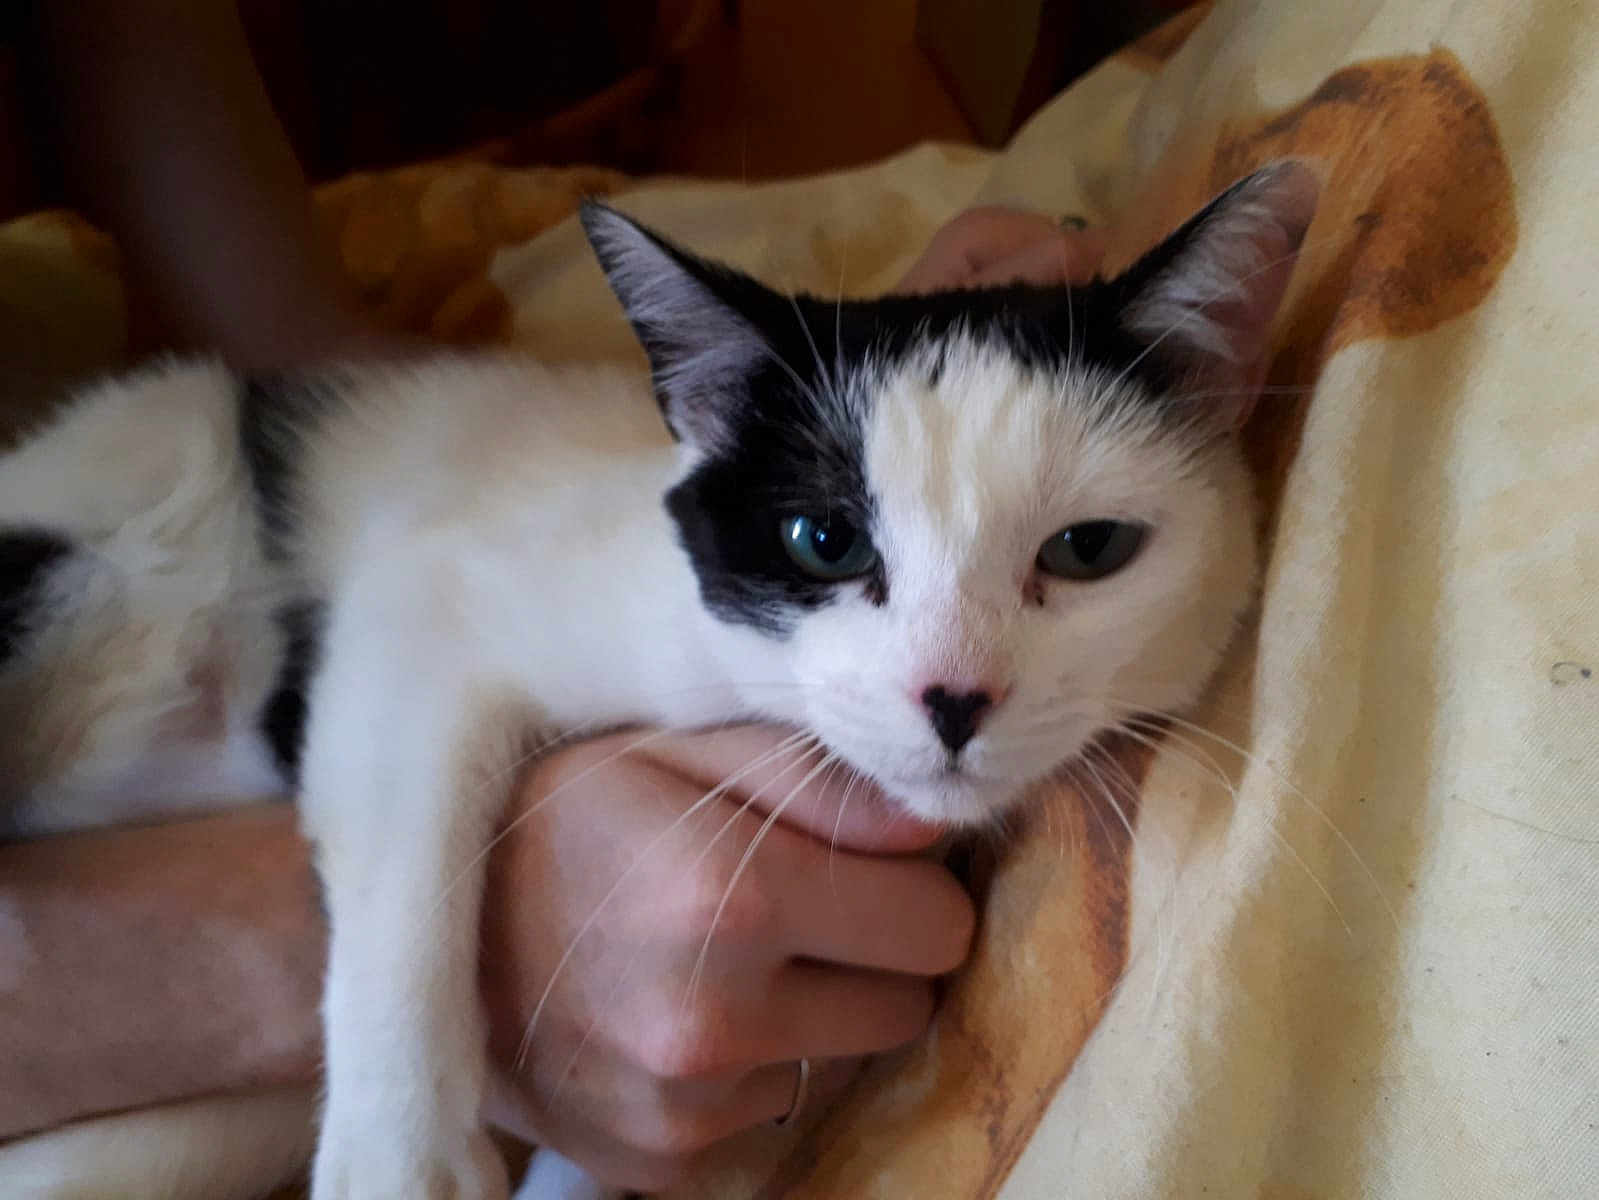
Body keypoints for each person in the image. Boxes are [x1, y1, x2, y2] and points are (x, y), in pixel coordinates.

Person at [0, 1, 1105, 1190]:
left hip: (269, 539)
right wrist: (459, 961)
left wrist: (857, 412)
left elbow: (284, 340)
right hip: (169, 574)